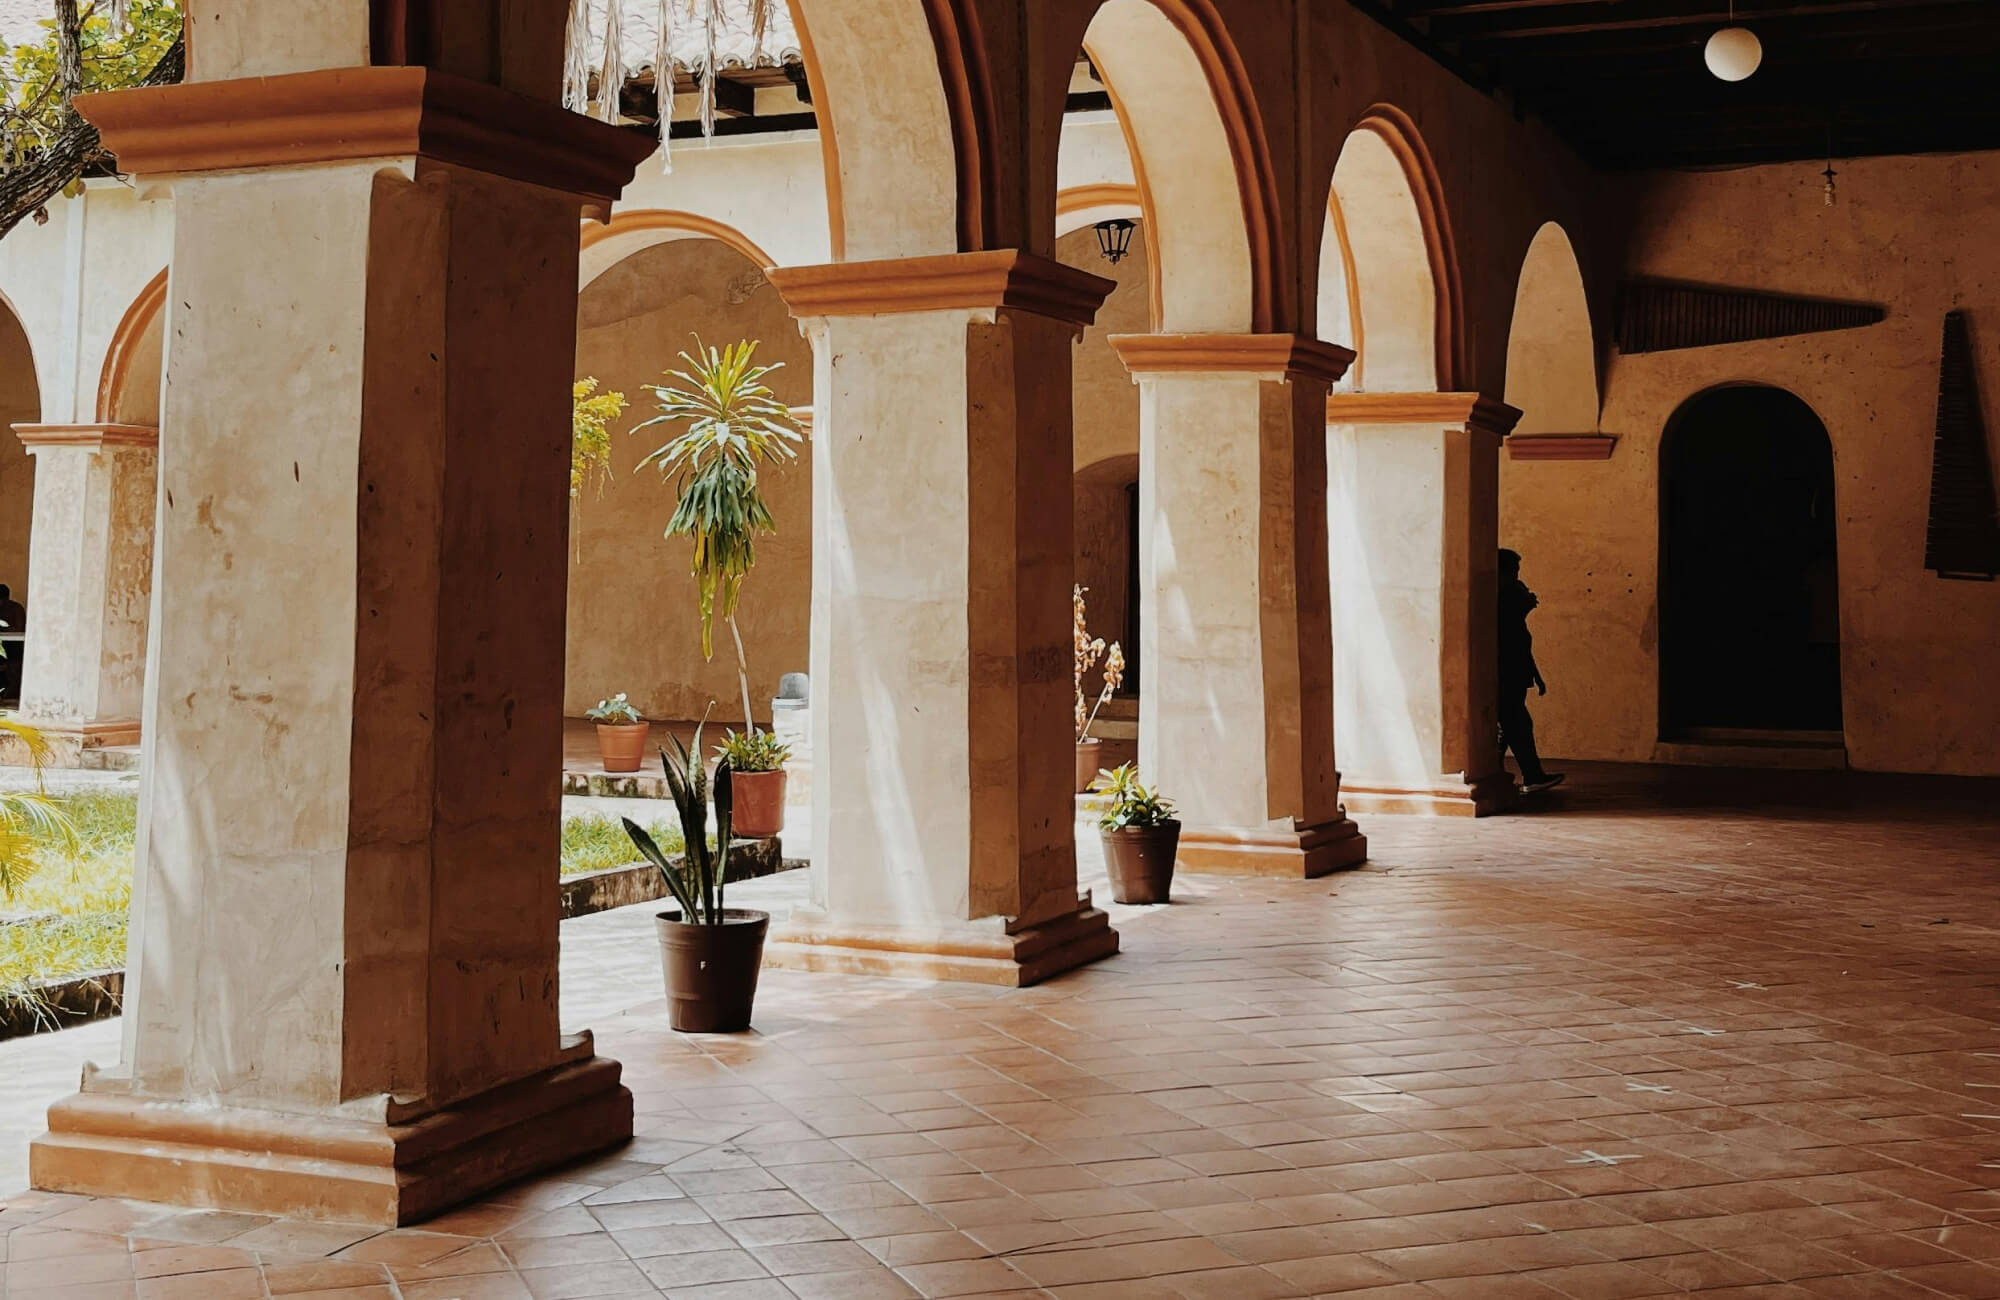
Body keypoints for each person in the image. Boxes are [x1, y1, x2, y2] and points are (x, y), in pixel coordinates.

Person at [1498, 550, 1563, 794]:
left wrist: (1536, 674)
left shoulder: (1511, 593)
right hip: (1507, 670)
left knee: (1510, 725)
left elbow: (1520, 640)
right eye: (1512, 570)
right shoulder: (1501, 597)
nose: (1516, 576)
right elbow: (1507, 635)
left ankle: (1514, 774)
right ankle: (1530, 774)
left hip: (1515, 669)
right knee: (1515, 723)